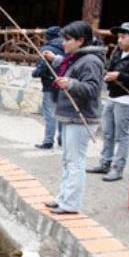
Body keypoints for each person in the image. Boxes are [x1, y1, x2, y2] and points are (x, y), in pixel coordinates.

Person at [41, 21, 106, 214]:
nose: (63, 43)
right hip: (70, 117)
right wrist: (56, 60)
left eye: (68, 40)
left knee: (75, 162)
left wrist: (70, 84)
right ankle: (63, 198)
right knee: (67, 160)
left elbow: (93, 89)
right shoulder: (77, 58)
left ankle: (70, 204)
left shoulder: (91, 61)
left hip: (81, 118)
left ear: (80, 41)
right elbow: (71, 68)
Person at [86, 22, 129, 181]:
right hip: (112, 96)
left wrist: (119, 76)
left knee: (121, 136)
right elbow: (111, 70)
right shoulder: (117, 52)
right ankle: (105, 163)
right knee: (107, 133)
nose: (119, 40)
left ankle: (117, 168)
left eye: (123, 37)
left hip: (127, 99)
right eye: (119, 37)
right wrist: (109, 77)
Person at [32, 26, 64, 149]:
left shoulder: (46, 49)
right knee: (61, 112)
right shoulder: (67, 47)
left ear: (47, 37)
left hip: (49, 84)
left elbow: (42, 66)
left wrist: (35, 73)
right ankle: (62, 138)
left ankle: (48, 140)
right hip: (62, 83)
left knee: (50, 113)